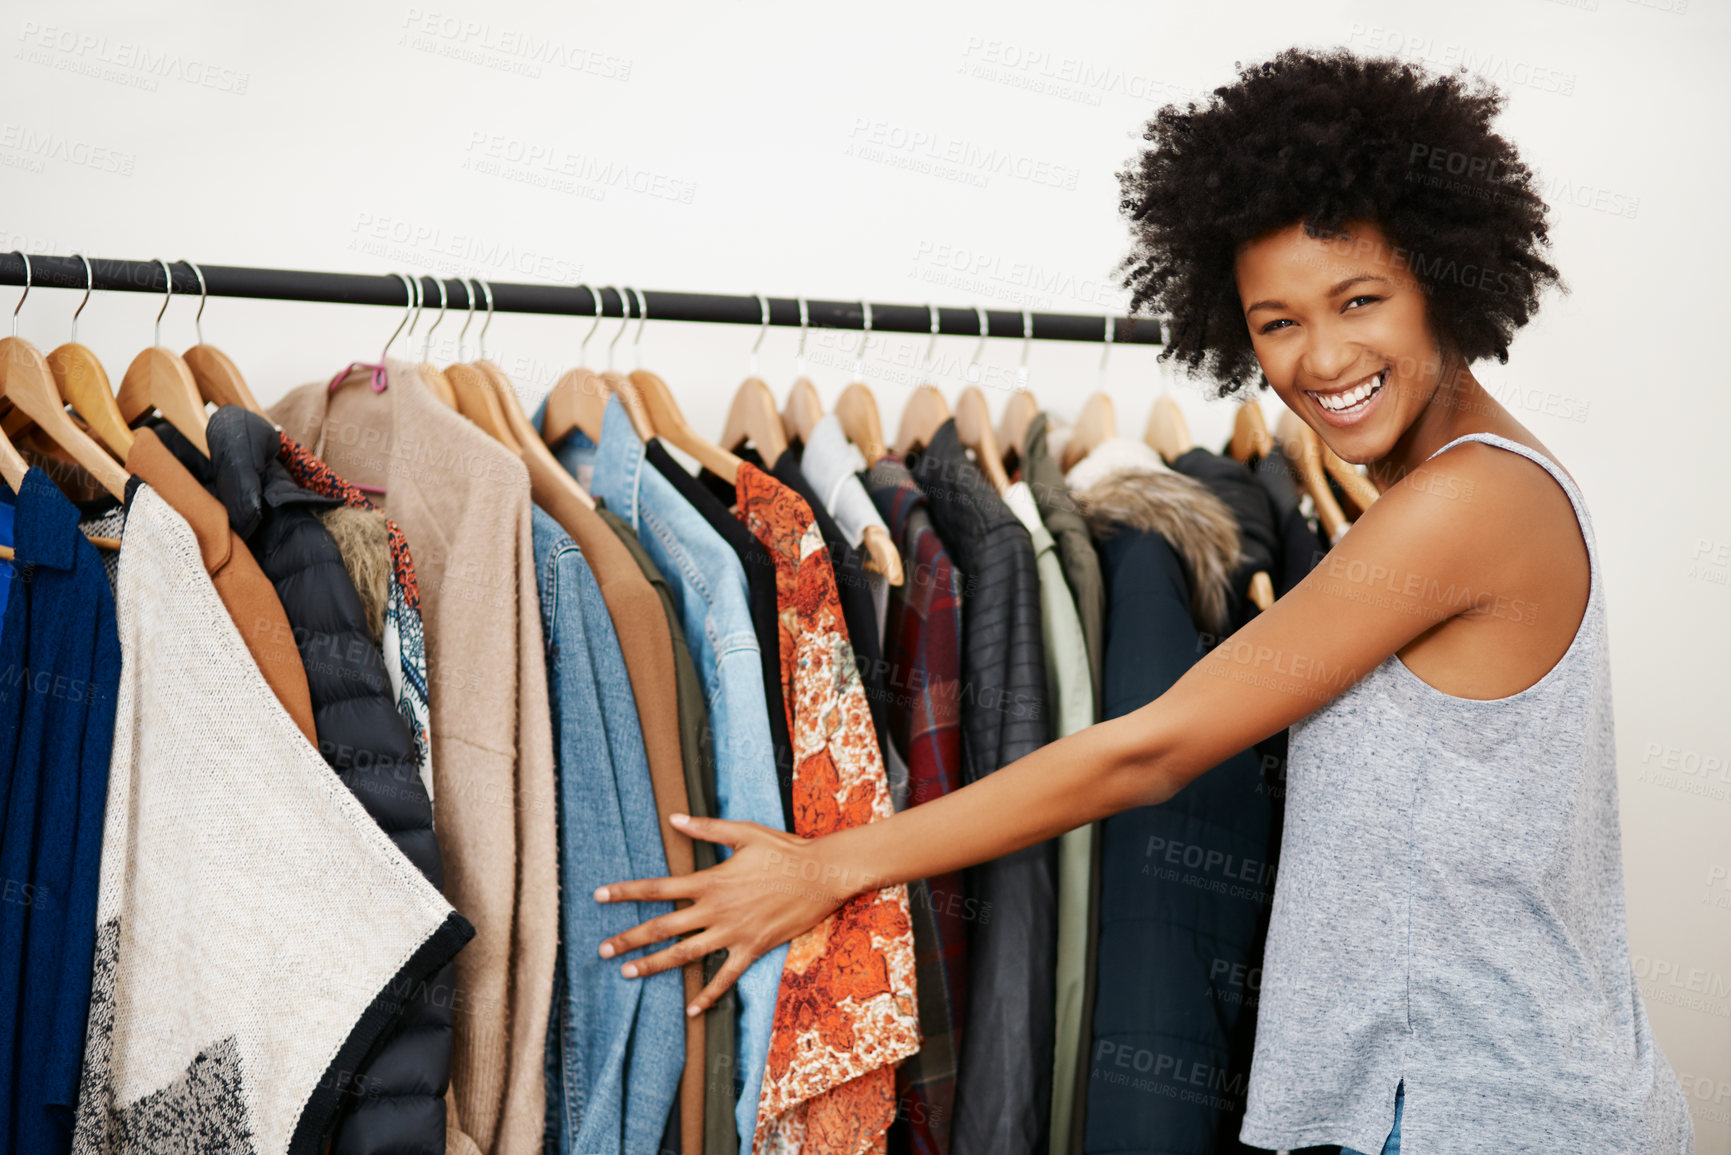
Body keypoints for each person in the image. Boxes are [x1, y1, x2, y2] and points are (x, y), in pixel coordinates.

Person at [593, 47, 1694, 1155]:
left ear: (1442, 282)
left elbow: (1150, 750)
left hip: (1480, 1113)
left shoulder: (1467, 504)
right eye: (1277, 322)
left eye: (1361, 300)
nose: (1322, 357)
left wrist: (831, 864)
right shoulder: (1480, 483)